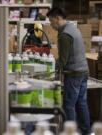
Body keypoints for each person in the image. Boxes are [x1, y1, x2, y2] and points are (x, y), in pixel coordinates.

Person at [46, 7, 91, 135]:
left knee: (68, 105)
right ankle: (86, 131)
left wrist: (50, 68)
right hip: (83, 71)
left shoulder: (65, 35)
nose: (51, 25)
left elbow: (63, 61)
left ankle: (71, 132)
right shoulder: (73, 28)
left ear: (57, 18)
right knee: (81, 103)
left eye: (51, 21)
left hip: (74, 73)